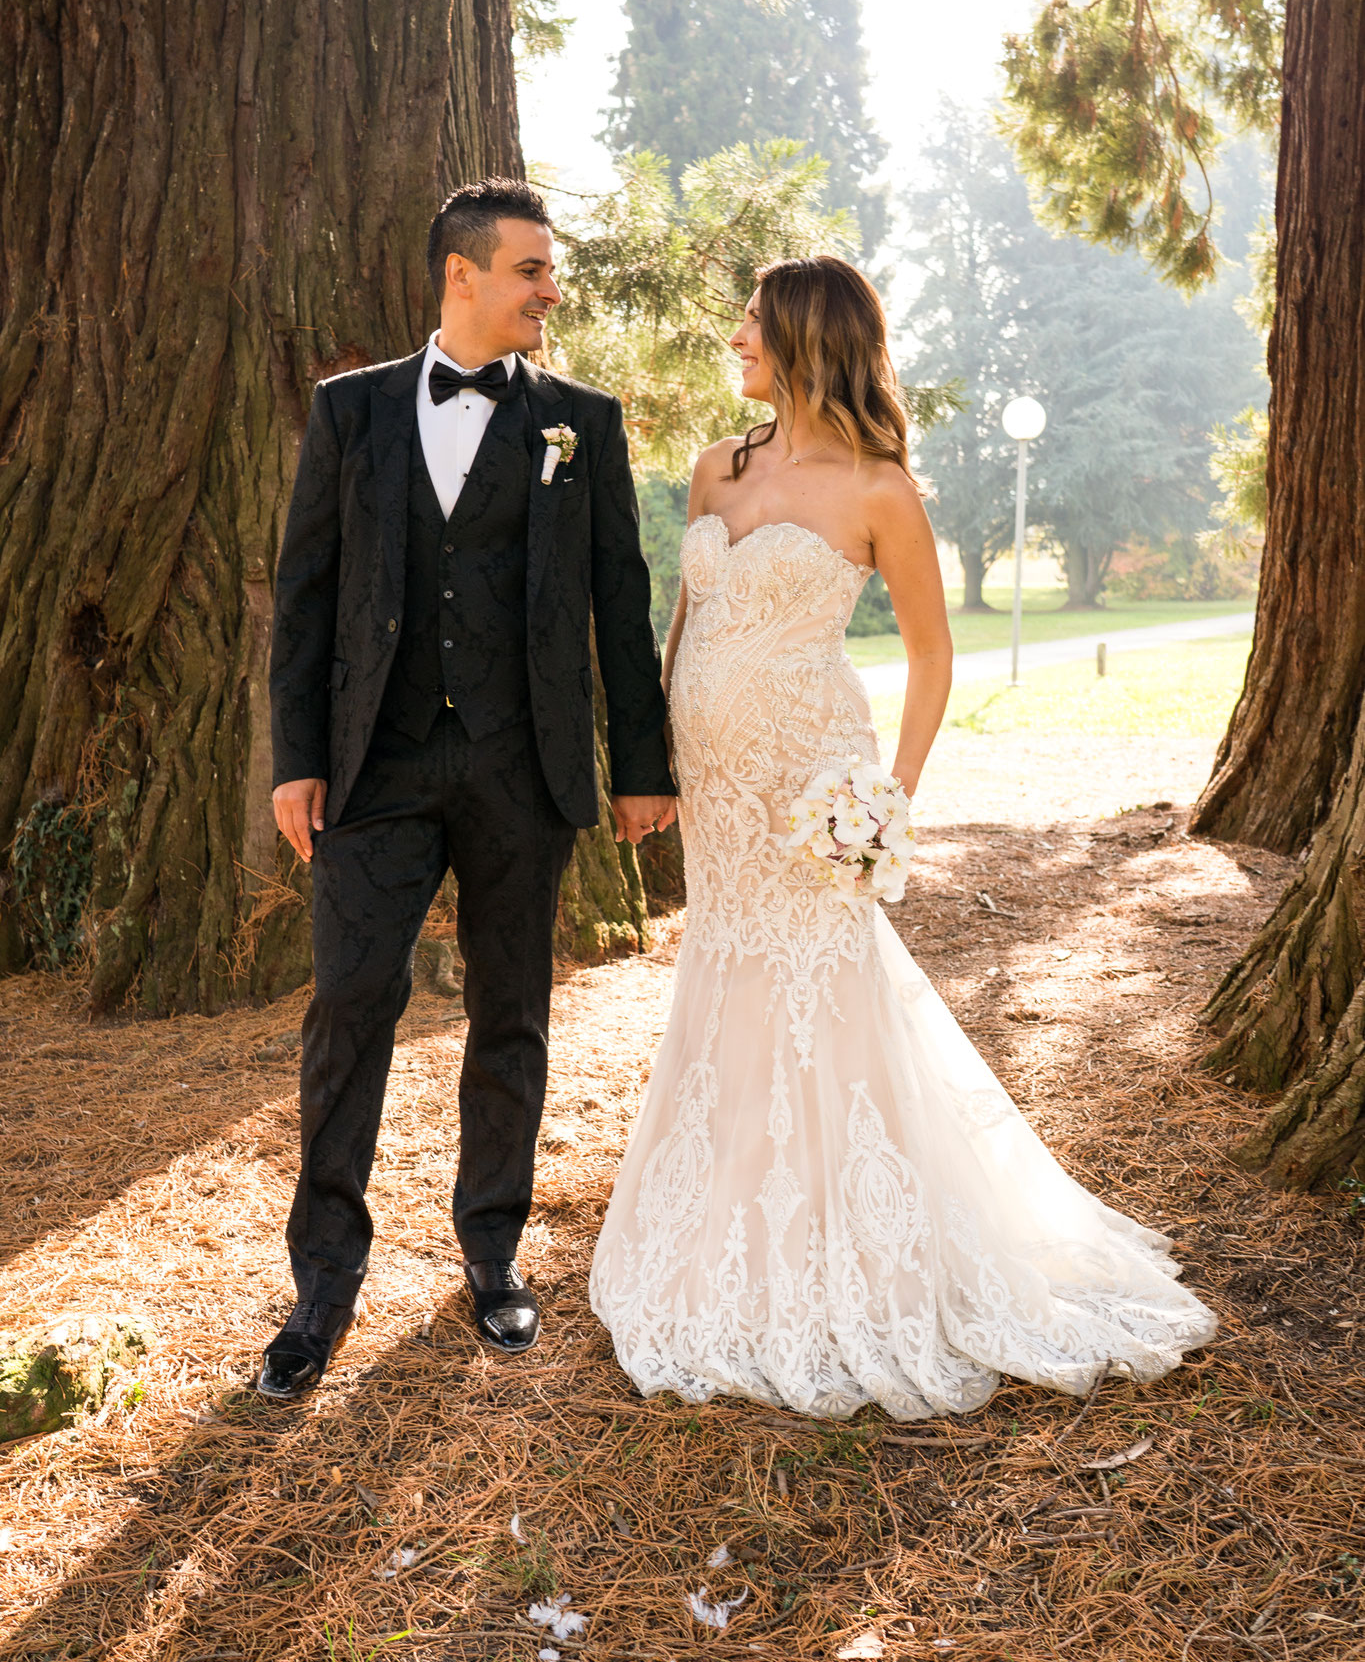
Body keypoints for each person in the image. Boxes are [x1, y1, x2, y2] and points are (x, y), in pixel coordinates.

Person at [590, 255, 1215, 1419]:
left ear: (803, 339)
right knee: (726, 973)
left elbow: (934, 655)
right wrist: (663, 756)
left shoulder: (881, 489)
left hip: (813, 778)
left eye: (751, 327)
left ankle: (853, 1232)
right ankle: (724, 1207)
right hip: (717, 792)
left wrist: (888, 796)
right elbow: (690, 616)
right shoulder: (713, 467)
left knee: (824, 982)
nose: (736, 342)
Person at [262, 178, 675, 1398]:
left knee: (512, 1013)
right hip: (376, 767)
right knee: (349, 1007)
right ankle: (322, 1281)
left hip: (521, 766)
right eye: (533, 270)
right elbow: (307, 597)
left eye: (551, 271)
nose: (553, 289)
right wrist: (298, 756)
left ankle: (491, 1254)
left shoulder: (580, 424)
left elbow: (620, 596)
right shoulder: (353, 411)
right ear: (463, 275)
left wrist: (641, 768)